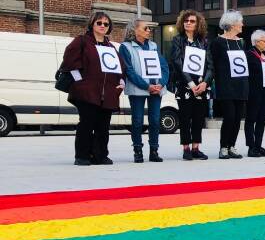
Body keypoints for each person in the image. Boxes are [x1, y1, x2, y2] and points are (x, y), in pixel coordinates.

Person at [61, 12, 123, 166]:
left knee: (103, 126)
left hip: (107, 93)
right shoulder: (81, 41)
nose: (102, 26)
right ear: (92, 24)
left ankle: (100, 155)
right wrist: (80, 83)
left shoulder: (111, 47)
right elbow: (69, 62)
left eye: (106, 24)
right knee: (87, 124)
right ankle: (82, 155)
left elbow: (121, 68)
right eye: (99, 23)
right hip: (87, 92)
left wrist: (121, 82)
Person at [119, 18, 169, 163]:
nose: (149, 31)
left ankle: (154, 151)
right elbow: (129, 70)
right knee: (137, 121)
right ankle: (138, 151)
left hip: (156, 89)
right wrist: (146, 86)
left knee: (154, 120)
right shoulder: (125, 47)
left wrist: (161, 83)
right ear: (135, 30)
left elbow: (163, 66)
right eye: (146, 28)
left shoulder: (153, 45)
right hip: (138, 89)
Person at [168, 9, 213, 160]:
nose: (188, 23)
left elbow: (210, 65)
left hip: (202, 85)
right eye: (186, 21)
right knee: (185, 117)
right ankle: (186, 148)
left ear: (198, 23)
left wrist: (206, 82)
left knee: (199, 118)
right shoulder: (177, 40)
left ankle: (196, 148)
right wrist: (191, 83)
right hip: (185, 84)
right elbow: (177, 62)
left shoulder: (204, 42)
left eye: (192, 21)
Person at [210, 9, 248, 159]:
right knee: (229, 116)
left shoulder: (241, 42)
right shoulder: (218, 42)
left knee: (238, 118)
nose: (242, 25)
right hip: (225, 85)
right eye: (240, 22)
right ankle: (223, 147)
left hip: (241, 84)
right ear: (232, 24)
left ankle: (232, 145)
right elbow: (212, 63)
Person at [243, 29, 265, 157]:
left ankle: (258, 145)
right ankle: (251, 147)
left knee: (262, 119)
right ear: (257, 42)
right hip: (254, 92)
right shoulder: (249, 54)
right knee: (251, 119)